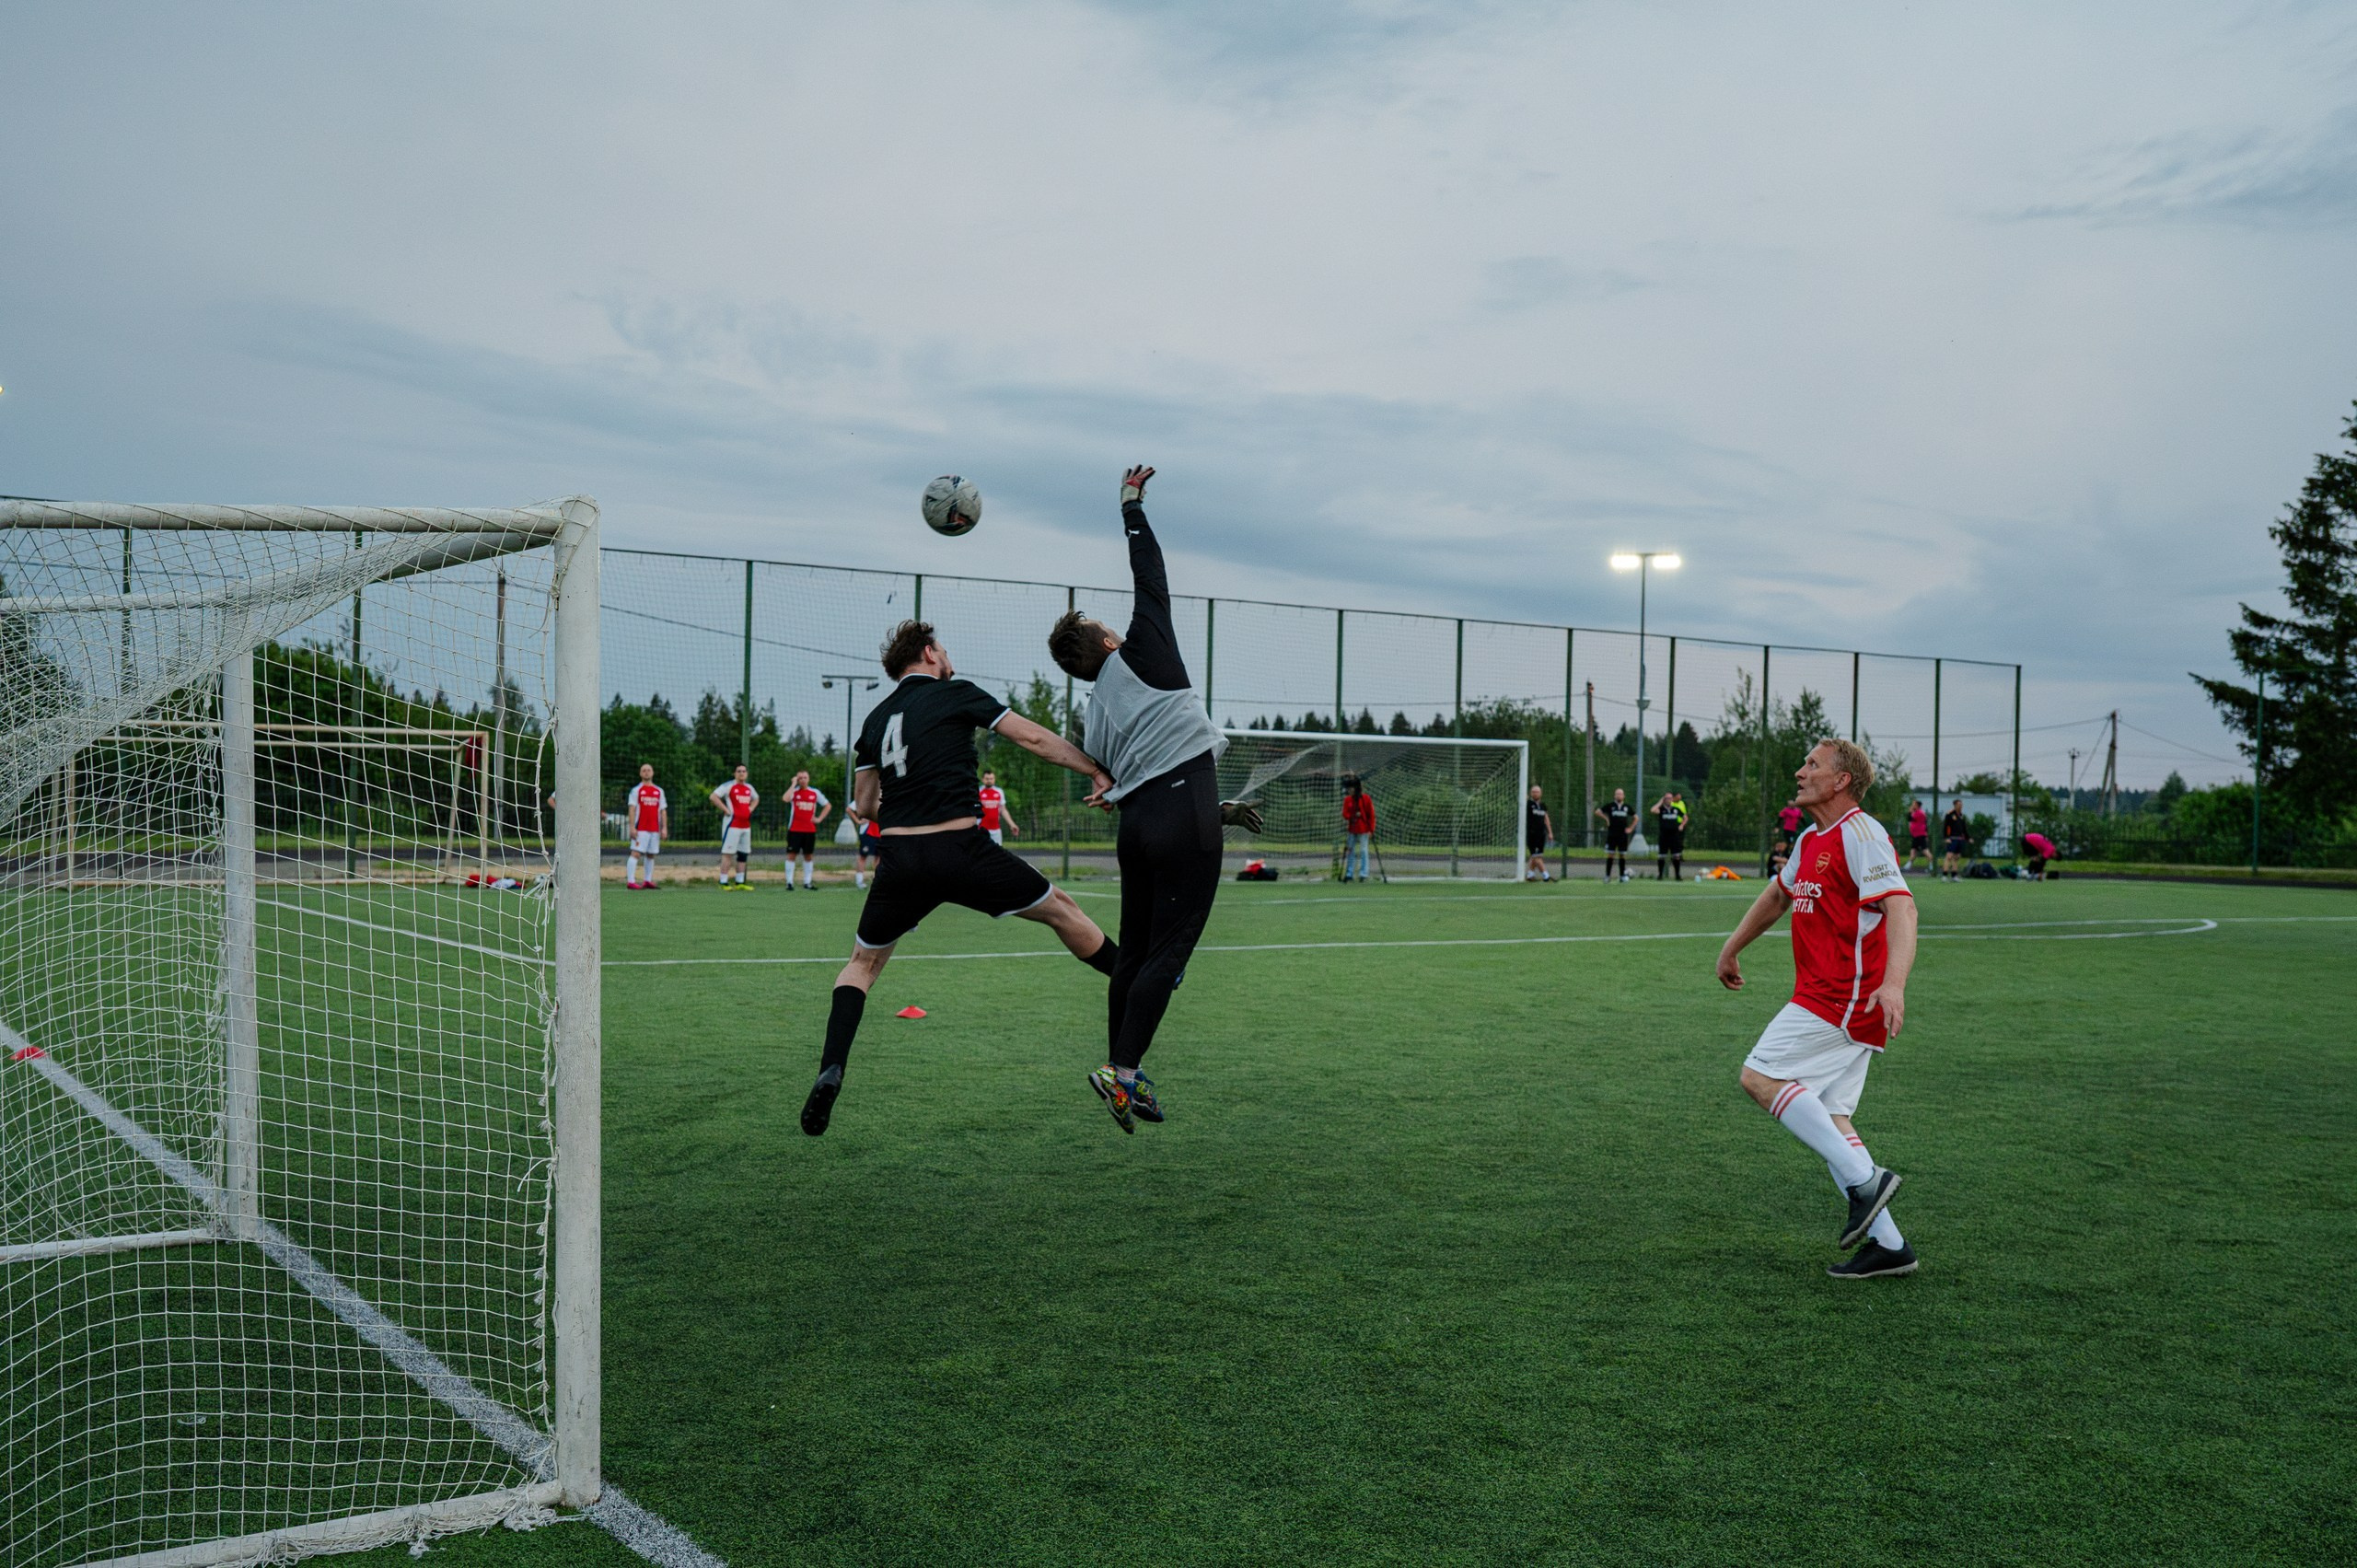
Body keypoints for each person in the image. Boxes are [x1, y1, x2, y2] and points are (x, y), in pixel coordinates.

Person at [798, 620, 1122, 1137]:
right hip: (962, 849)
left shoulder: (875, 720)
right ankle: (1139, 978)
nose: (948, 657)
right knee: (1062, 910)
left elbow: (863, 805)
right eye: (943, 649)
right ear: (928, 654)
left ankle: (831, 1069)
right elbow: (1035, 739)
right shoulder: (956, 694)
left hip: (900, 859)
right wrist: (1096, 771)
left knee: (861, 965)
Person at [1048, 464, 1262, 1133]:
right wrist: (1132, 507)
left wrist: (1217, 807)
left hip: (1139, 828)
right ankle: (1123, 1070)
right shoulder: (1144, 648)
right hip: (1180, 819)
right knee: (1168, 955)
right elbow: (1151, 576)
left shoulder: (1093, 717)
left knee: (1136, 952)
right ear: (1108, 640)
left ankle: (1121, 1069)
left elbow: (1129, 777)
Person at [1715, 738, 1920, 1280]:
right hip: (1834, 996)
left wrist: (1894, 984)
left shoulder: (1863, 835)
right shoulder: (1812, 838)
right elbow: (1778, 896)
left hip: (1846, 997)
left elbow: (1902, 908)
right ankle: (1890, 1245)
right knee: (1830, 1115)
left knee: (1760, 1077)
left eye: (1812, 764)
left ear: (1841, 780)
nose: (1800, 771)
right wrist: (1733, 946)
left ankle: (1865, 1180)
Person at [708, 763, 760, 890]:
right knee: (728, 853)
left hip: (745, 826)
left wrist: (750, 809)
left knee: (743, 853)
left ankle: (740, 881)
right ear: (734, 773)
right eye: (739, 771)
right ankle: (723, 881)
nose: (741, 773)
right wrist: (726, 810)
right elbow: (713, 796)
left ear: (747, 773)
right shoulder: (729, 786)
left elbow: (756, 798)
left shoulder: (749, 788)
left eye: (743, 771)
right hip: (732, 825)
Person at [782, 770, 830, 890]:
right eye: (800, 778)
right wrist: (793, 784)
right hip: (795, 829)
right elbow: (785, 799)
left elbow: (827, 805)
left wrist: (819, 819)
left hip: (809, 830)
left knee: (808, 855)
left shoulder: (814, 793)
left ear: (808, 779)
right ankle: (789, 882)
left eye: (805, 777)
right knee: (791, 854)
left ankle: (807, 882)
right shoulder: (794, 792)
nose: (803, 780)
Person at [622, 763, 667, 889]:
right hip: (641, 828)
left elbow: (663, 810)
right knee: (636, 853)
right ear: (640, 773)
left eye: (648, 770)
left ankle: (647, 880)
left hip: (654, 829)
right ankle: (631, 881)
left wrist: (664, 828)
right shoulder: (636, 791)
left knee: (651, 854)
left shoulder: (659, 791)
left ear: (652, 773)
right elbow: (632, 809)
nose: (646, 772)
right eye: (644, 770)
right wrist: (632, 827)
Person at [1341, 774, 1376, 883]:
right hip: (1352, 829)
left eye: (1351, 788)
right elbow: (1345, 814)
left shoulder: (1365, 799)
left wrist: (1371, 829)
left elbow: (1371, 815)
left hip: (1364, 828)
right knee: (1350, 850)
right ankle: (1349, 873)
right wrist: (1353, 816)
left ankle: (1363, 873)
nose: (1349, 791)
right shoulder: (1347, 800)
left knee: (1363, 850)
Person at [1595, 788, 1635, 881]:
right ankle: (1607, 876)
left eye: (1620, 794)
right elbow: (1597, 812)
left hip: (1623, 835)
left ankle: (1622, 876)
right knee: (1611, 855)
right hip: (1612, 834)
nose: (1619, 796)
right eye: (1617, 794)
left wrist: (1631, 828)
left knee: (1622, 855)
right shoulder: (1610, 806)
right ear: (1614, 796)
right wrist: (1606, 819)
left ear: (1623, 796)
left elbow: (1636, 817)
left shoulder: (1627, 807)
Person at [977, 769, 1020, 846]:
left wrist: (1012, 824)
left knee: (997, 852)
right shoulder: (978, 792)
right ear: (983, 779)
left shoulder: (999, 792)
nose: (989, 781)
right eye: (987, 779)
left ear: (994, 779)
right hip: (982, 828)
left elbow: (1003, 810)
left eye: (991, 779)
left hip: (995, 829)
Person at [1654, 790, 1689, 880]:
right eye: (1667, 798)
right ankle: (1660, 875)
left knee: (1676, 855)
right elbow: (1653, 810)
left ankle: (1677, 875)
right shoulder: (1661, 810)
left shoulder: (1676, 810)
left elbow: (1685, 817)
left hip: (1674, 836)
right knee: (1662, 855)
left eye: (1670, 798)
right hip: (1664, 836)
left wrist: (1681, 825)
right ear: (1664, 799)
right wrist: (1660, 802)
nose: (1669, 800)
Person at [1523, 784, 1554, 882]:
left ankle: (1530, 875)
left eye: (1537, 792)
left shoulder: (1543, 805)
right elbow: (1522, 801)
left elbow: (1546, 819)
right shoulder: (1528, 804)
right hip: (1532, 834)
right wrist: (1525, 798)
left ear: (1541, 793)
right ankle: (1546, 876)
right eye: (1533, 792)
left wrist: (1550, 832)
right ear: (1530, 793)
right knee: (1536, 856)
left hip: (1541, 834)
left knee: (1537, 856)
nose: (1535, 793)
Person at [1940, 800, 1970, 882]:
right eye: (1959, 804)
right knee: (1949, 856)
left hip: (1959, 839)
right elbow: (1945, 826)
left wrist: (1968, 837)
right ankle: (1944, 875)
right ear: (1955, 805)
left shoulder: (1961, 815)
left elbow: (1964, 828)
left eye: (1961, 804)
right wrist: (1946, 837)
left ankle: (1954, 876)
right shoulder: (1950, 814)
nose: (1961, 806)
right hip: (1952, 838)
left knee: (1956, 857)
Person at [1904, 799, 1930, 871]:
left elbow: (1909, 818)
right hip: (1915, 835)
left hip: (1920, 835)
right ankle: (1909, 865)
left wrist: (1910, 811)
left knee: (1925, 850)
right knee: (1913, 850)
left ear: (1917, 806)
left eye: (1914, 804)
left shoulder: (1919, 813)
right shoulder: (1917, 812)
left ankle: (1931, 865)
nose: (1912, 806)